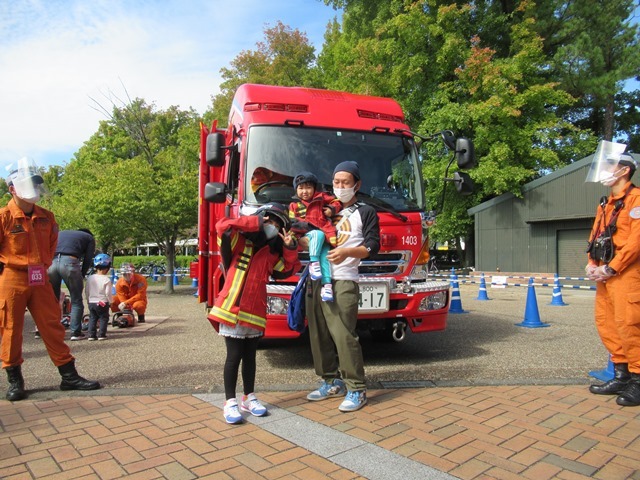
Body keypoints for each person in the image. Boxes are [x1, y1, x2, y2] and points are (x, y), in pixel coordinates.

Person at [0, 157, 100, 401]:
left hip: (39, 277)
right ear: (13, 189)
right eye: (28, 185)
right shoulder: (4, 217)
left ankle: (69, 376)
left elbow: (51, 245)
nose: (33, 189)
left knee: (52, 326)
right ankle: (15, 380)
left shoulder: (47, 217)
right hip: (11, 277)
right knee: (10, 329)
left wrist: (43, 265)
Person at [207, 202, 300, 424]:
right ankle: (230, 401)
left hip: (255, 311)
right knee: (233, 356)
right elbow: (222, 227)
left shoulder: (271, 254)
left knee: (250, 357)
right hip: (232, 308)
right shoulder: (239, 241)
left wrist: (290, 247)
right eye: (270, 221)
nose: (272, 226)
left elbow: (287, 270)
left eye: (277, 224)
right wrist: (255, 222)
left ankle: (249, 397)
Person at [305, 161, 380, 412]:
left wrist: (347, 251)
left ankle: (357, 388)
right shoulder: (323, 210)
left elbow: (372, 246)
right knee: (319, 334)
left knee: (343, 334)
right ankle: (330, 380)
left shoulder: (365, 211)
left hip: (343, 280)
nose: (340, 187)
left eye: (345, 182)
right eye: (336, 182)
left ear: (357, 185)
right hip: (316, 279)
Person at [585, 149, 640, 407]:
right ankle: (621, 375)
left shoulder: (636, 200)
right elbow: (596, 234)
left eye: (611, 165)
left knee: (629, 324)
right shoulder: (606, 203)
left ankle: (638, 381)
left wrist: (612, 267)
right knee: (606, 322)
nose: (606, 171)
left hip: (627, 275)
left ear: (625, 169)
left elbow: (635, 242)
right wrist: (592, 264)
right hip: (605, 275)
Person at [289, 171, 342, 302]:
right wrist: (305, 227)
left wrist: (331, 209)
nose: (305, 191)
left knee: (325, 257)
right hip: (306, 232)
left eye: (308, 187)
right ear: (296, 190)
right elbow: (292, 222)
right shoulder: (294, 205)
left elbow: (337, 202)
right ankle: (313, 262)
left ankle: (327, 287)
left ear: (314, 188)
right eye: (301, 188)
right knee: (317, 234)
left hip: (324, 233)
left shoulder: (321, 198)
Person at [47, 228, 96, 340]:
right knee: (76, 300)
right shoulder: (89, 238)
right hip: (70, 263)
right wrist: (82, 274)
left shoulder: (60, 233)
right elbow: (88, 258)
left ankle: (51, 332)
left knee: (53, 300)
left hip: (52, 263)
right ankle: (75, 332)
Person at [85, 253, 113, 341]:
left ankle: (91, 335)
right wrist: (110, 301)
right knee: (103, 318)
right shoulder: (106, 279)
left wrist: (88, 299)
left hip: (92, 301)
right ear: (107, 268)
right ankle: (101, 334)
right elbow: (108, 293)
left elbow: (87, 290)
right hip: (102, 302)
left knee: (93, 318)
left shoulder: (90, 278)